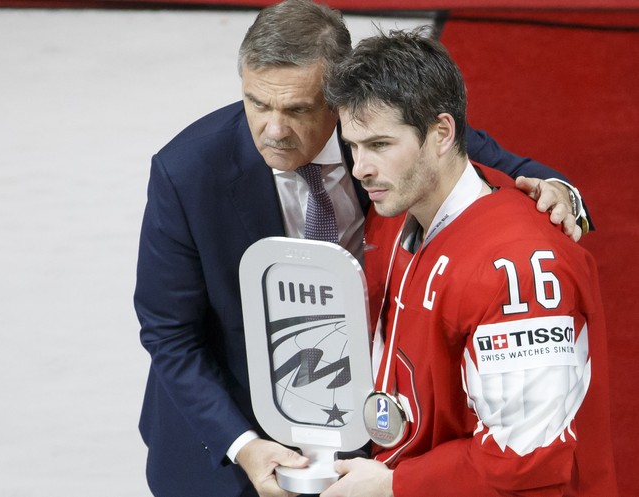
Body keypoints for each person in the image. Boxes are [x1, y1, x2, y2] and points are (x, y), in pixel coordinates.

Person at [133, 2, 590, 496]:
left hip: (372, 433)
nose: (274, 129)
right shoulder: (187, 172)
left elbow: (504, 167)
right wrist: (244, 445)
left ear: (340, 98)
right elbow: (169, 332)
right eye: (257, 103)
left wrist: (562, 196)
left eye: (297, 109)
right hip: (231, 440)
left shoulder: (383, 134)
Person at [319, 27, 616, 497]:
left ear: (442, 133)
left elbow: (525, 460)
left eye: (379, 145)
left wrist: (395, 485)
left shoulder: (518, 269)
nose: (360, 169)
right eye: (353, 146)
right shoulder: (400, 207)